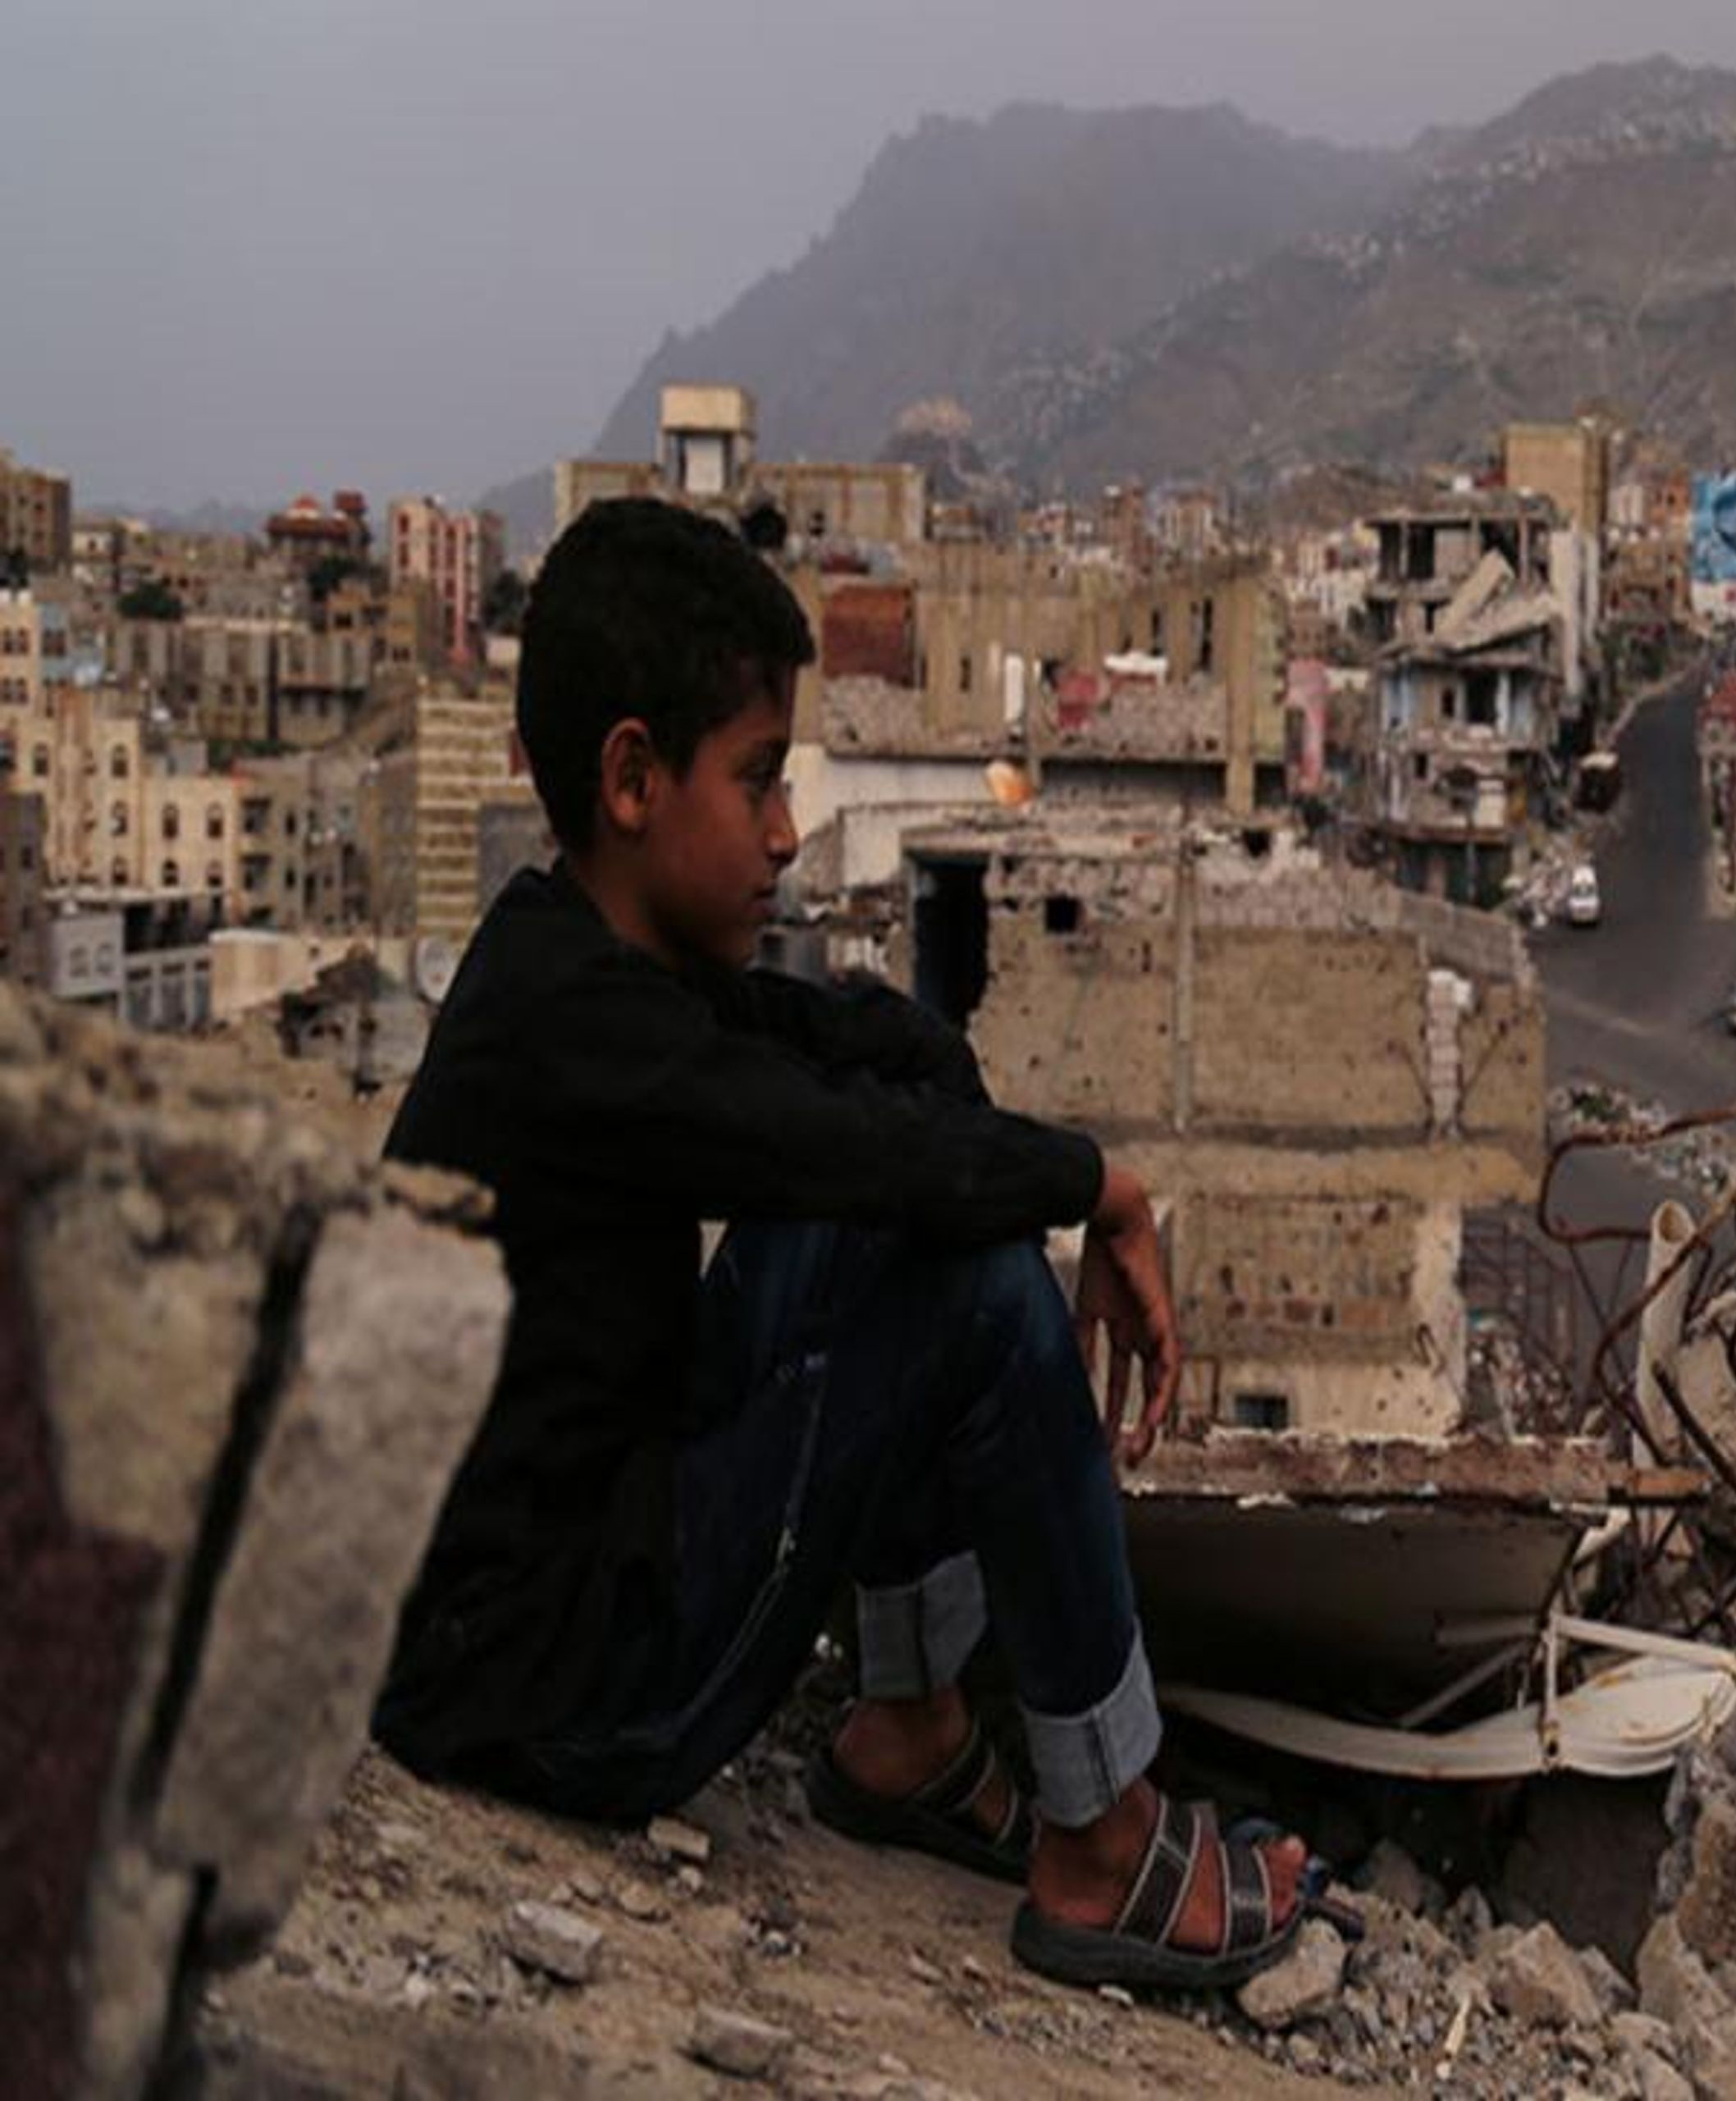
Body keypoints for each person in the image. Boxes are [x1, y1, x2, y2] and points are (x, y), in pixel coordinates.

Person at [372, 497, 1305, 1988]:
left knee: (915, 1182)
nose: (789, 832)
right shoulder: (578, 1029)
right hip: (556, 1694)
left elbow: (853, 1059)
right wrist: (1094, 1187)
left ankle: (908, 1732)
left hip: (536, 1612)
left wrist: (969, 1110)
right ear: (631, 776)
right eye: (756, 783)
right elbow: (835, 1142)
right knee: (986, 1294)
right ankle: (1105, 1844)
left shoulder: (585, 959)